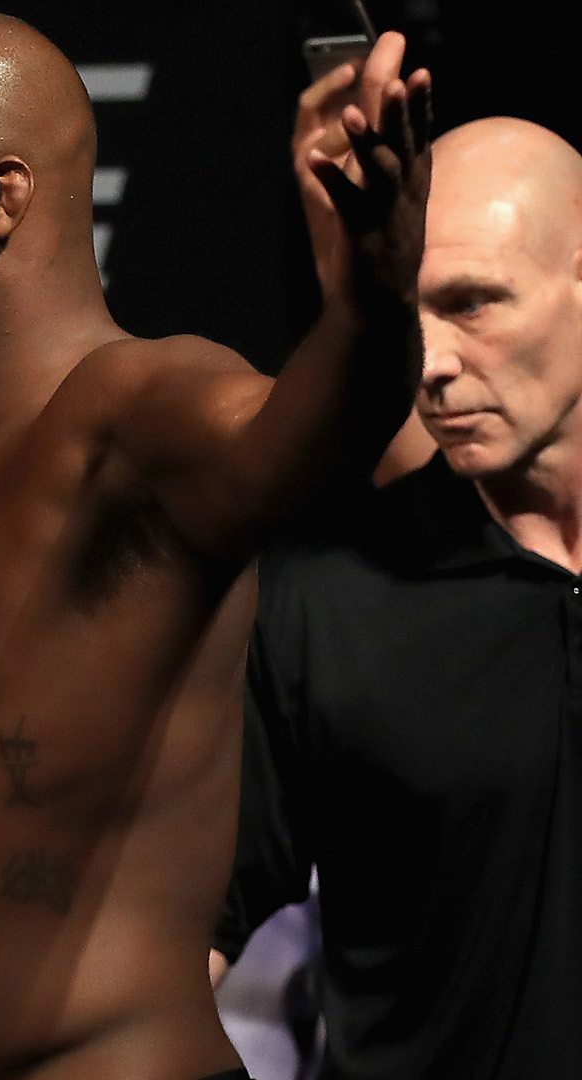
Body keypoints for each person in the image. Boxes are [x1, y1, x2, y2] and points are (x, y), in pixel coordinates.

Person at [0, 13, 427, 1079]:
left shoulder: (142, 405)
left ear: (0, 197)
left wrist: (371, 302)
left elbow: (298, 440)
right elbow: (6, 624)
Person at [216, 116, 582, 1078]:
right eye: (408, 312)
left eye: (473, 304)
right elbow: (170, 949)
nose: (430, 363)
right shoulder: (318, 603)